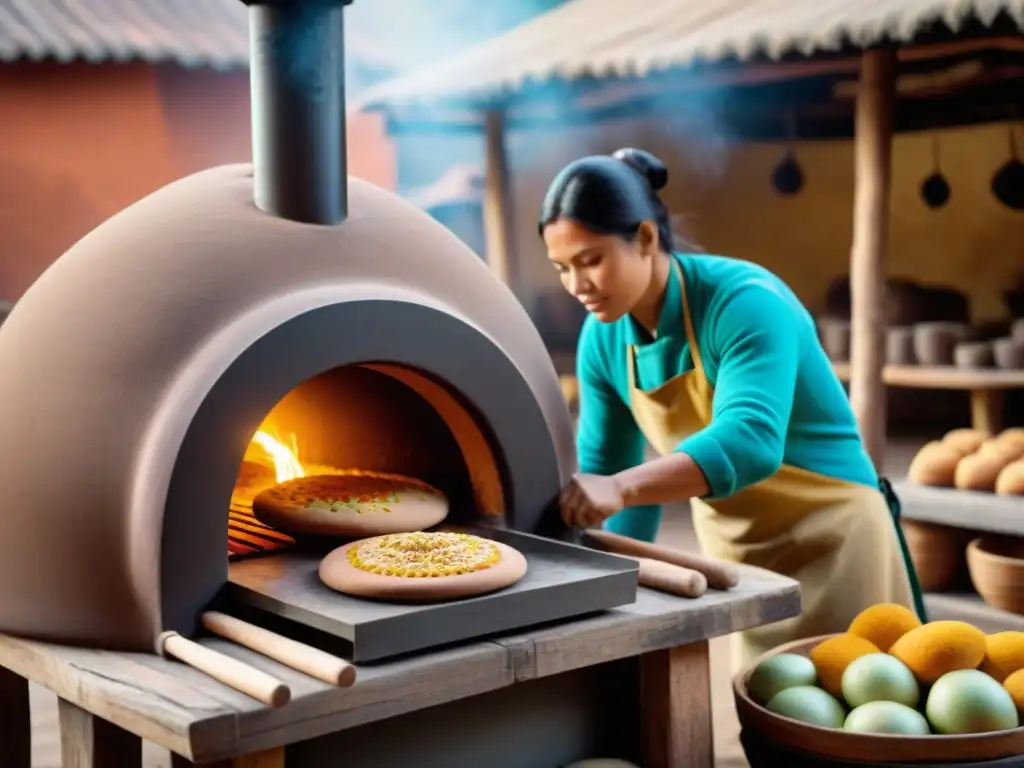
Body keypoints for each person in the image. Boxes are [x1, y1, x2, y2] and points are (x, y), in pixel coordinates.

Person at [541, 147, 926, 670]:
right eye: (562, 267)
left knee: (863, 714)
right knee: (772, 718)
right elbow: (610, 480)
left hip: (835, 535)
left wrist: (622, 486)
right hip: (741, 555)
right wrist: (613, 600)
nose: (576, 286)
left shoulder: (744, 301)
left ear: (647, 239)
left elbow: (749, 442)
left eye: (591, 261)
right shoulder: (602, 339)